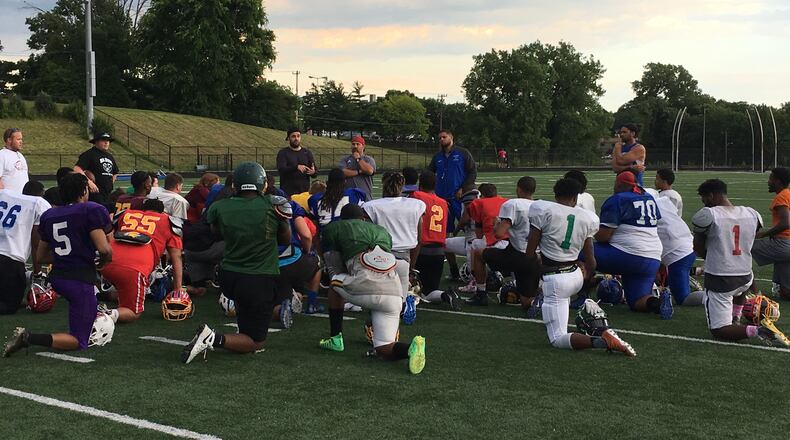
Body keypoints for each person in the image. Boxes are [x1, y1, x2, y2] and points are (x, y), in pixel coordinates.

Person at [181, 162, 291, 364]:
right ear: (263, 183)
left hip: (229, 275)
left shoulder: (220, 206)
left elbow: (215, 233)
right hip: (259, 276)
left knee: (245, 311)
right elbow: (285, 239)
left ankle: (241, 337)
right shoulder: (273, 205)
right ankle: (213, 338)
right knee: (257, 342)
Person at [3, 173, 112, 357]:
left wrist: (66, 256)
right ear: (85, 190)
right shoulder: (90, 210)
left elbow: (41, 256)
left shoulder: (49, 215)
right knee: (79, 341)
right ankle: (28, 338)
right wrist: (103, 262)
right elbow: (105, 249)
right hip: (80, 279)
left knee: (79, 313)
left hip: (58, 278)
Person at [526, 177, 635, 356]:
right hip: (576, 275)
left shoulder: (543, 210)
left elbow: (530, 252)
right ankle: (583, 319)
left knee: (557, 338)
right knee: (561, 303)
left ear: (556, 195)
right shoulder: (587, 217)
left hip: (556, 279)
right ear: (576, 198)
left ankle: (602, 340)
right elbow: (591, 261)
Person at [318, 204, 426, 375]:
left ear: (343, 219)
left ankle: (335, 338)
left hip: (365, 287)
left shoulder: (336, 228)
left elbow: (333, 265)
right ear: (363, 219)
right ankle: (410, 349)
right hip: (394, 294)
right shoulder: (381, 232)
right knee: (384, 348)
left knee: (334, 283)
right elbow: (393, 264)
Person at [691, 179, 788, 346]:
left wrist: (715, 257)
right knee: (738, 295)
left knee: (719, 330)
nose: (704, 203)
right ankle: (736, 318)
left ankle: (758, 331)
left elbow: (698, 247)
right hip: (745, 276)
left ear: (711, 195)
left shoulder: (708, 214)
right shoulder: (751, 213)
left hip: (721, 278)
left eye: (704, 198)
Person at [99, 198, 184, 324]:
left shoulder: (126, 214)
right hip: (135, 268)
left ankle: (97, 295)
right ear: (162, 212)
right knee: (132, 312)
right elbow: (176, 258)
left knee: (125, 291)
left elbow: (108, 233)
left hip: (107, 262)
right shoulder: (168, 221)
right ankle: (103, 315)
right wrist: (178, 290)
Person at [593, 171, 664, 314]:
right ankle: (657, 303)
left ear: (619, 184)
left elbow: (603, 237)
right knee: (637, 301)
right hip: (653, 258)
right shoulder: (648, 197)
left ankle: (580, 296)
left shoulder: (619, 199)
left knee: (578, 250)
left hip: (627, 256)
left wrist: (588, 231)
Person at [363, 172, 425, 323]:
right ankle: (405, 306)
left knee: (379, 300)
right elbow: (419, 238)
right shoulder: (415, 205)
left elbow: (367, 236)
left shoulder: (372, 206)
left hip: (380, 257)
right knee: (400, 298)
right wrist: (412, 265)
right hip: (404, 256)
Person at [471, 177, 540, 311]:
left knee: (478, 253)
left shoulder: (513, 204)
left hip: (517, 255)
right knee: (526, 303)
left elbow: (499, 233)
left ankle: (481, 294)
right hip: (536, 257)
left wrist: (497, 223)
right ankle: (540, 303)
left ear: (518, 189)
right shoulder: (541, 205)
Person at [411, 171, 462, 310]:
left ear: (420, 184)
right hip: (439, 252)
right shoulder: (444, 203)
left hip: (420, 250)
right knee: (429, 292)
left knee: (412, 288)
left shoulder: (416, 196)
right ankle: (445, 295)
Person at [644, 188, 703, 308]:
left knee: (683, 299)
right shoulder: (664, 203)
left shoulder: (649, 209)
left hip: (678, 256)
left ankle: (720, 296)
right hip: (687, 247)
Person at [0, 184, 51, 314]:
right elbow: (36, 244)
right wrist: (37, 273)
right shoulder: (39, 204)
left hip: (7, 259)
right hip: (10, 261)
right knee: (9, 307)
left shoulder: (4, 193)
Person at [461, 183, 508, 303]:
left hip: (498, 243)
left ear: (481, 195)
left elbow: (479, 233)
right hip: (516, 244)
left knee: (475, 245)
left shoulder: (479, 203)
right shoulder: (506, 202)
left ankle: (479, 287)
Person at [752, 167, 790, 300]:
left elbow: (785, 223)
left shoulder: (782, 197)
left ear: (778, 181)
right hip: (786, 247)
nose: (768, 182)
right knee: (786, 293)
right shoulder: (788, 194)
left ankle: (753, 292)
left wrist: (763, 234)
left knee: (744, 247)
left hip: (783, 245)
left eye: (771, 179)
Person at [427, 129, 477, 232]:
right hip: (442, 198)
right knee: (444, 228)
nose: (441, 139)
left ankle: (471, 246)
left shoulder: (463, 153)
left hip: (459, 197)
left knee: (467, 226)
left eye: (444, 137)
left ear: (451, 137)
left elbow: (472, 171)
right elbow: (429, 173)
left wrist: (463, 188)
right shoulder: (437, 156)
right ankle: (445, 247)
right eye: (439, 138)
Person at [74, 133, 119, 210]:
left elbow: (115, 172)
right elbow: (77, 169)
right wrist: (89, 182)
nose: (106, 142)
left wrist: (110, 183)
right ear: (96, 142)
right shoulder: (89, 154)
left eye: (108, 141)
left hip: (107, 193)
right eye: (103, 140)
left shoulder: (109, 156)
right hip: (94, 194)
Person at [277, 128, 317, 197]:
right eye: (293, 136)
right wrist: (296, 167)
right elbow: (281, 169)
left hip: (304, 193)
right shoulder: (283, 153)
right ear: (288, 138)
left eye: (298, 136)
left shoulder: (307, 153)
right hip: (288, 193)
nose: (296, 138)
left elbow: (315, 172)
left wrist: (313, 172)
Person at [338, 135, 376, 200]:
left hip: (365, 198)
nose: (355, 146)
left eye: (358, 144)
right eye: (353, 144)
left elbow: (369, 171)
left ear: (363, 147)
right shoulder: (345, 159)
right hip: (348, 199)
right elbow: (342, 172)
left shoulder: (369, 159)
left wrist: (358, 159)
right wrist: (359, 171)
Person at [0, 128, 29, 193]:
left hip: (23, 198)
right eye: (18, 139)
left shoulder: (21, 156)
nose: (21, 141)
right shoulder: (2, 155)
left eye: (21, 139)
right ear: (9, 140)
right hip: (10, 200)